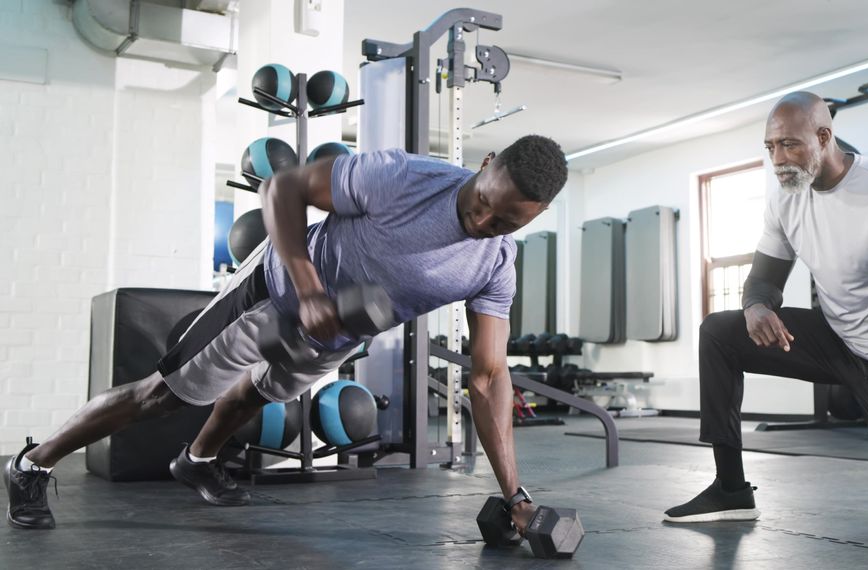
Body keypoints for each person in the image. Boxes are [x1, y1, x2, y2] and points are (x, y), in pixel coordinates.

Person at [5, 135, 567, 535]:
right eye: (483, 204)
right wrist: (308, 287)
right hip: (273, 295)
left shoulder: (494, 263)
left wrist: (514, 492)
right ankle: (31, 464)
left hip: (341, 332)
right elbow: (282, 189)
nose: (483, 224)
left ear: (535, 218)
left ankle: (197, 461)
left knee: (259, 393)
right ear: (487, 163)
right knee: (161, 395)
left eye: (505, 223)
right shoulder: (404, 177)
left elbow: (490, 376)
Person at [664, 93, 868, 529]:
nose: (778, 160)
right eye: (770, 148)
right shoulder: (785, 198)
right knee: (720, 332)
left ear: (823, 136)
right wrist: (756, 306)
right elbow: (763, 280)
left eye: (790, 145)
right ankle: (730, 489)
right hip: (836, 341)